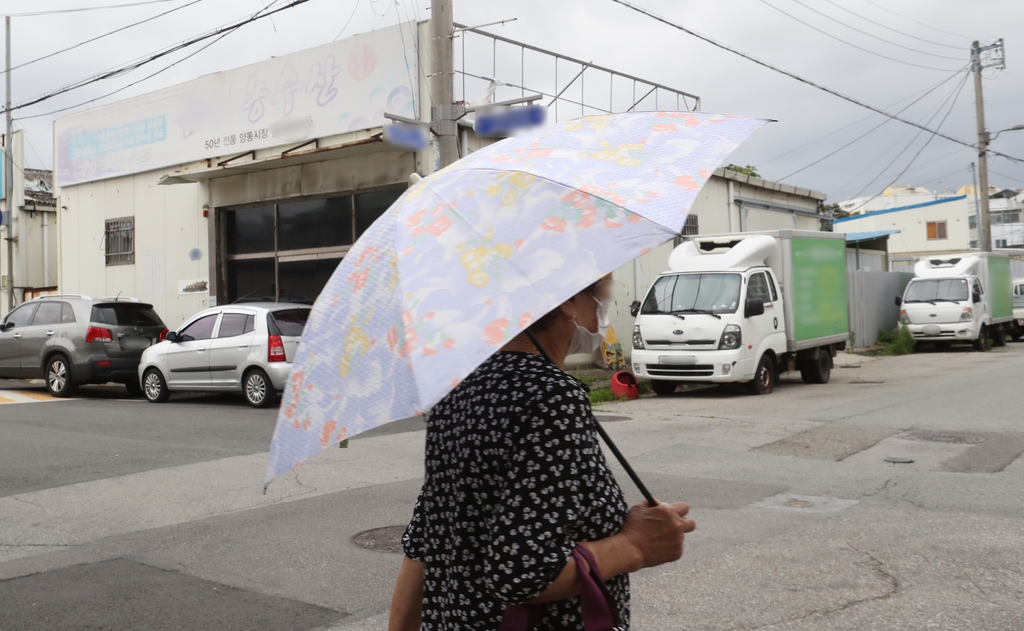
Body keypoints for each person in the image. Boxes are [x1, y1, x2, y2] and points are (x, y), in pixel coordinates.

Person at [388, 277, 695, 631]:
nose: (606, 302)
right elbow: (522, 572)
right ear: (567, 301)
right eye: (605, 289)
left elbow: (427, 540)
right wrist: (636, 545)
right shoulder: (551, 397)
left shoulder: (456, 389)